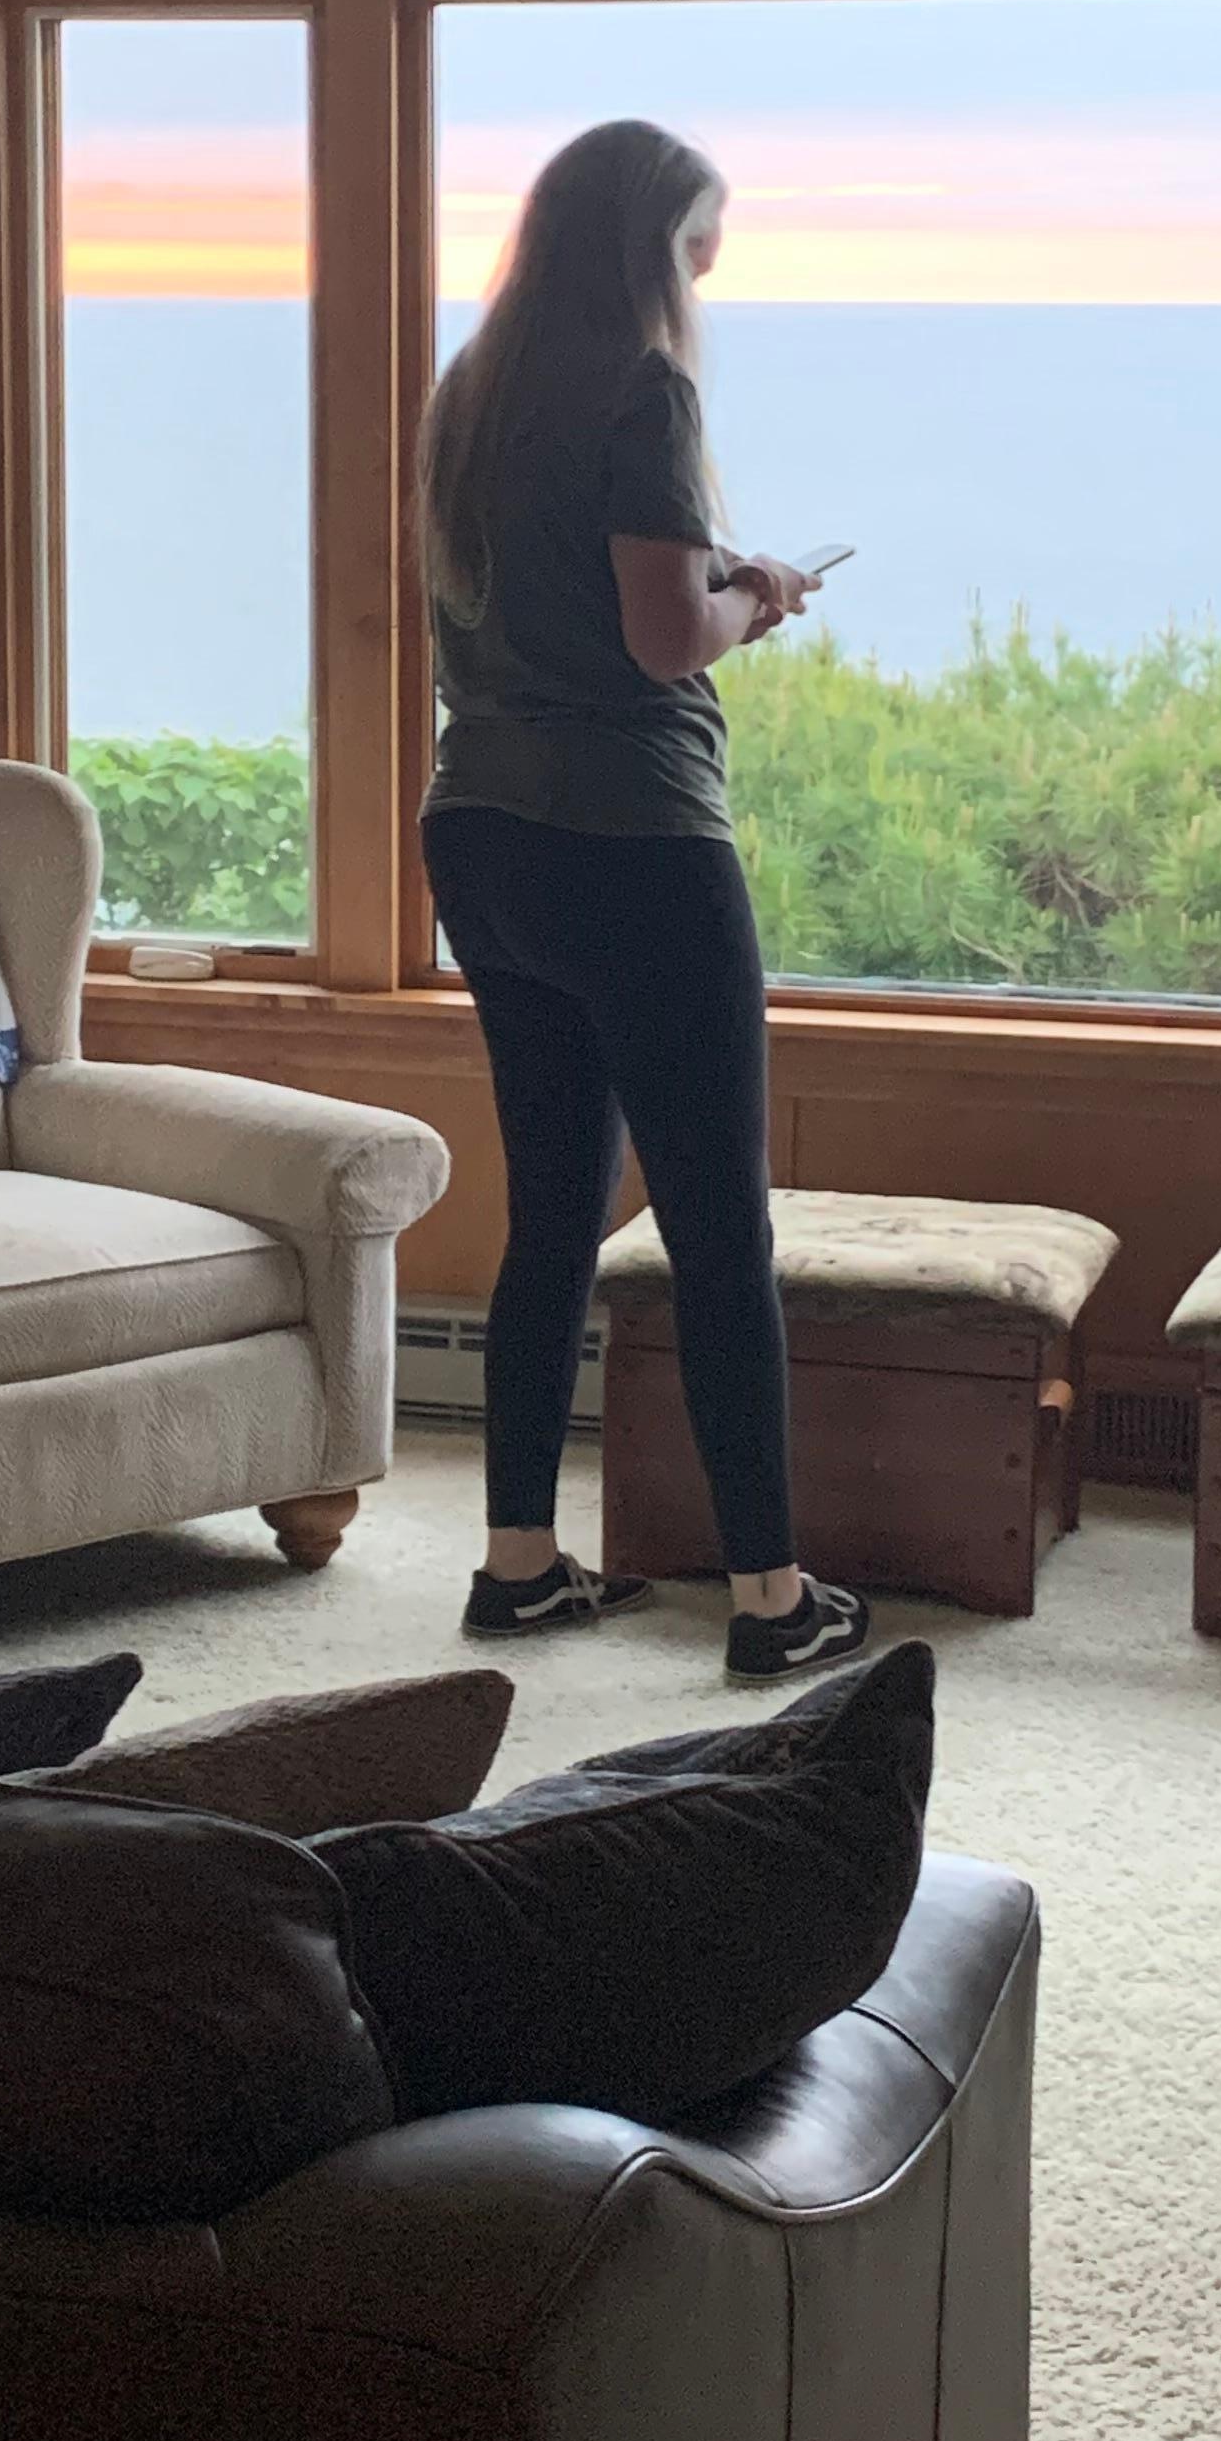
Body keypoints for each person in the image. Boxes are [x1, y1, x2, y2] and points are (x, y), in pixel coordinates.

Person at [418, 116, 871, 1680]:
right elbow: (666, 641)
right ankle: (772, 1600)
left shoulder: (469, 395)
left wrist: (711, 572)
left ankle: (519, 1563)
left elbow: (550, 588)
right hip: (632, 840)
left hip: (481, 832)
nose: (703, 280)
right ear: (648, 252)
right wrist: (758, 597)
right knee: (717, 1225)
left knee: (553, 1208)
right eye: (696, 250)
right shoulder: (644, 389)